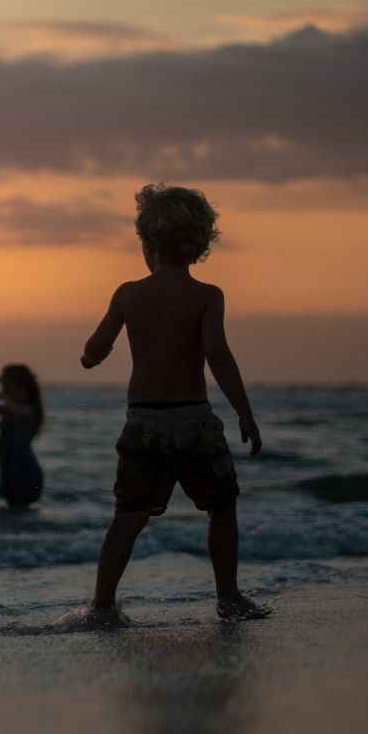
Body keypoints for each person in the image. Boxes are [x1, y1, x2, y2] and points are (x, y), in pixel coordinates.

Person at [79, 184, 271, 623]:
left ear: (147, 244)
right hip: (193, 419)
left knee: (128, 515)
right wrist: (244, 411)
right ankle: (228, 598)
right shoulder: (207, 296)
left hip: (144, 421)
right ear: (200, 244)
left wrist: (90, 356)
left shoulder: (128, 294)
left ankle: (102, 605)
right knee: (221, 508)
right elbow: (217, 355)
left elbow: (95, 349)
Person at [0, 364, 44, 509]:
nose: (5, 391)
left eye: (8, 386)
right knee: (14, 512)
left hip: (24, 473)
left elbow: (17, 410)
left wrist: (4, 396)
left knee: (18, 511)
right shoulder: (12, 409)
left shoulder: (29, 410)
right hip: (10, 468)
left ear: (24, 388)